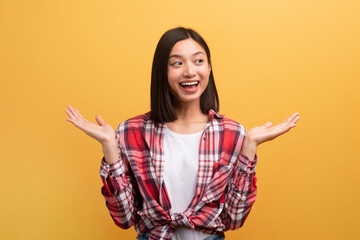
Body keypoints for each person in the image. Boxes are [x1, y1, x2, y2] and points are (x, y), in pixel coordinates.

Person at [65, 27, 300, 240]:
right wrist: (109, 148)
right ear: (162, 72)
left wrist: (250, 147)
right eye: (177, 63)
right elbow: (124, 219)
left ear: (208, 68)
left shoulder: (233, 133)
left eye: (198, 61)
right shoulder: (131, 132)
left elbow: (234, 220)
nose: (190, 71)